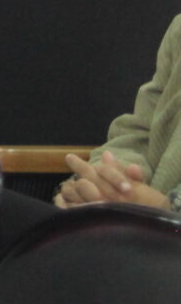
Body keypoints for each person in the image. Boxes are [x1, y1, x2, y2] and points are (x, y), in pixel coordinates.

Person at [54, 13, 181, 211]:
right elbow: (138, 135)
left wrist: (161, 207)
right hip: (133, 220)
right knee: (5, 208)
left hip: (157, 223)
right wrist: (101, 182)